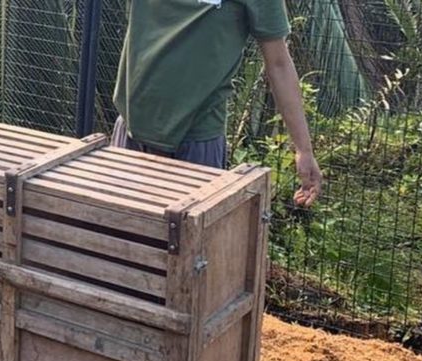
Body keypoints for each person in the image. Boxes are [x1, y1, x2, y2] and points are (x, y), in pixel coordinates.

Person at [109, 0, 323, 207]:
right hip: (131, 128)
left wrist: (303, 149)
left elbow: (279, 63)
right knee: (112, 236)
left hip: (195, 139)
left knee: (188, 239)